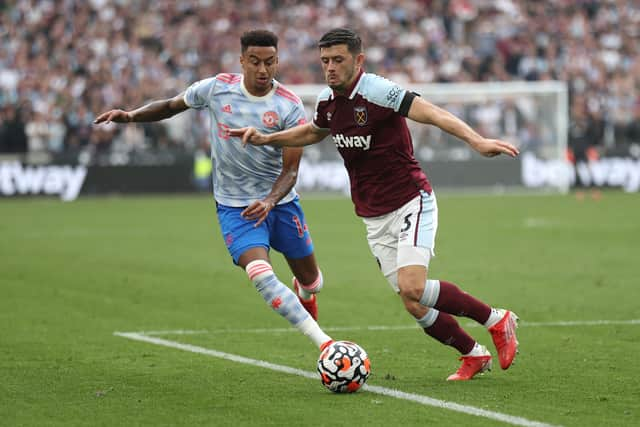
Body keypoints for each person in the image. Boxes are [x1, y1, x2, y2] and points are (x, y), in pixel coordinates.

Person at [231, 28, 520, 381]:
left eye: (338, 60)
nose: (331, 68)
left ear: (358, 60)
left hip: (410, 198)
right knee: (413, 302)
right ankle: (472, 354)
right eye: (325, 61)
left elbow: (431, 113)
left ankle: (497, 319)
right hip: (372, 213)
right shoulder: (327, 100)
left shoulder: (379, 91)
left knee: (414, 286)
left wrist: (476, 141)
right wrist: (268, 138)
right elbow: (312, 132)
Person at [94, 30, 333, 351]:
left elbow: (291, 169)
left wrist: (270, 200)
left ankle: (305, 293)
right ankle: (326, 344)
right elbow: (171, 105)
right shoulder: (217, 88)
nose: (263, 70)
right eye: (255, 62)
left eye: (270, 62)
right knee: (260, 273)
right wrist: (132, 115)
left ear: (277, 62)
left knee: (313, 281)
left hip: (282, 204)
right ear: (242, 61)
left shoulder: (288, 106)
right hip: (236, 208)